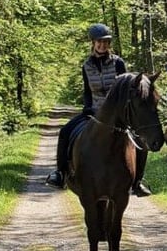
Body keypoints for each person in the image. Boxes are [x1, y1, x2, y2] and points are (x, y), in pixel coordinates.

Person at [46, 23, 152, 197]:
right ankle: (61, 173)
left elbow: (126, 88)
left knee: (140, 140)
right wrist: (87, 107)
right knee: (65, 131)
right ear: (93, 43)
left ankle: (138, 181)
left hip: (117, 113)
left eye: (106, 42)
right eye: (99, 42)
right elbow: (87, 90)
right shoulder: (86, 65)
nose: (102, 45)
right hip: (94, 111)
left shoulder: (118, 63)